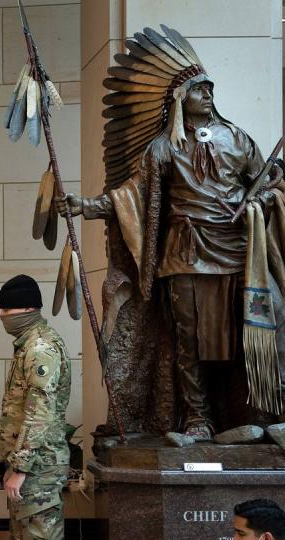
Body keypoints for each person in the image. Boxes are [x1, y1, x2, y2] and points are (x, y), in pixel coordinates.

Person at [61, 26, 285, 439]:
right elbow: (132, 197)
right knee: (188, 342)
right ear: (180, 99)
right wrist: (86, 206)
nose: (208, 95)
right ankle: (197, 419)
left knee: (256, 331)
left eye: (210, 88)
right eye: (199, 90)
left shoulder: (237, 138)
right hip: (183, 252)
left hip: (237, 250)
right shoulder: (163, 148)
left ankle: (261, 416)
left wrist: (262, 201)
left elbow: (271, 181)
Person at [0, 275, 72, 540]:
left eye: (8, 310)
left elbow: (39, 410)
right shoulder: (29, 344)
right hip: (32, 468)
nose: (3, 317)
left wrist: (21, 467)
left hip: (37, 469)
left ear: (28, 308)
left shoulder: (40, 347)